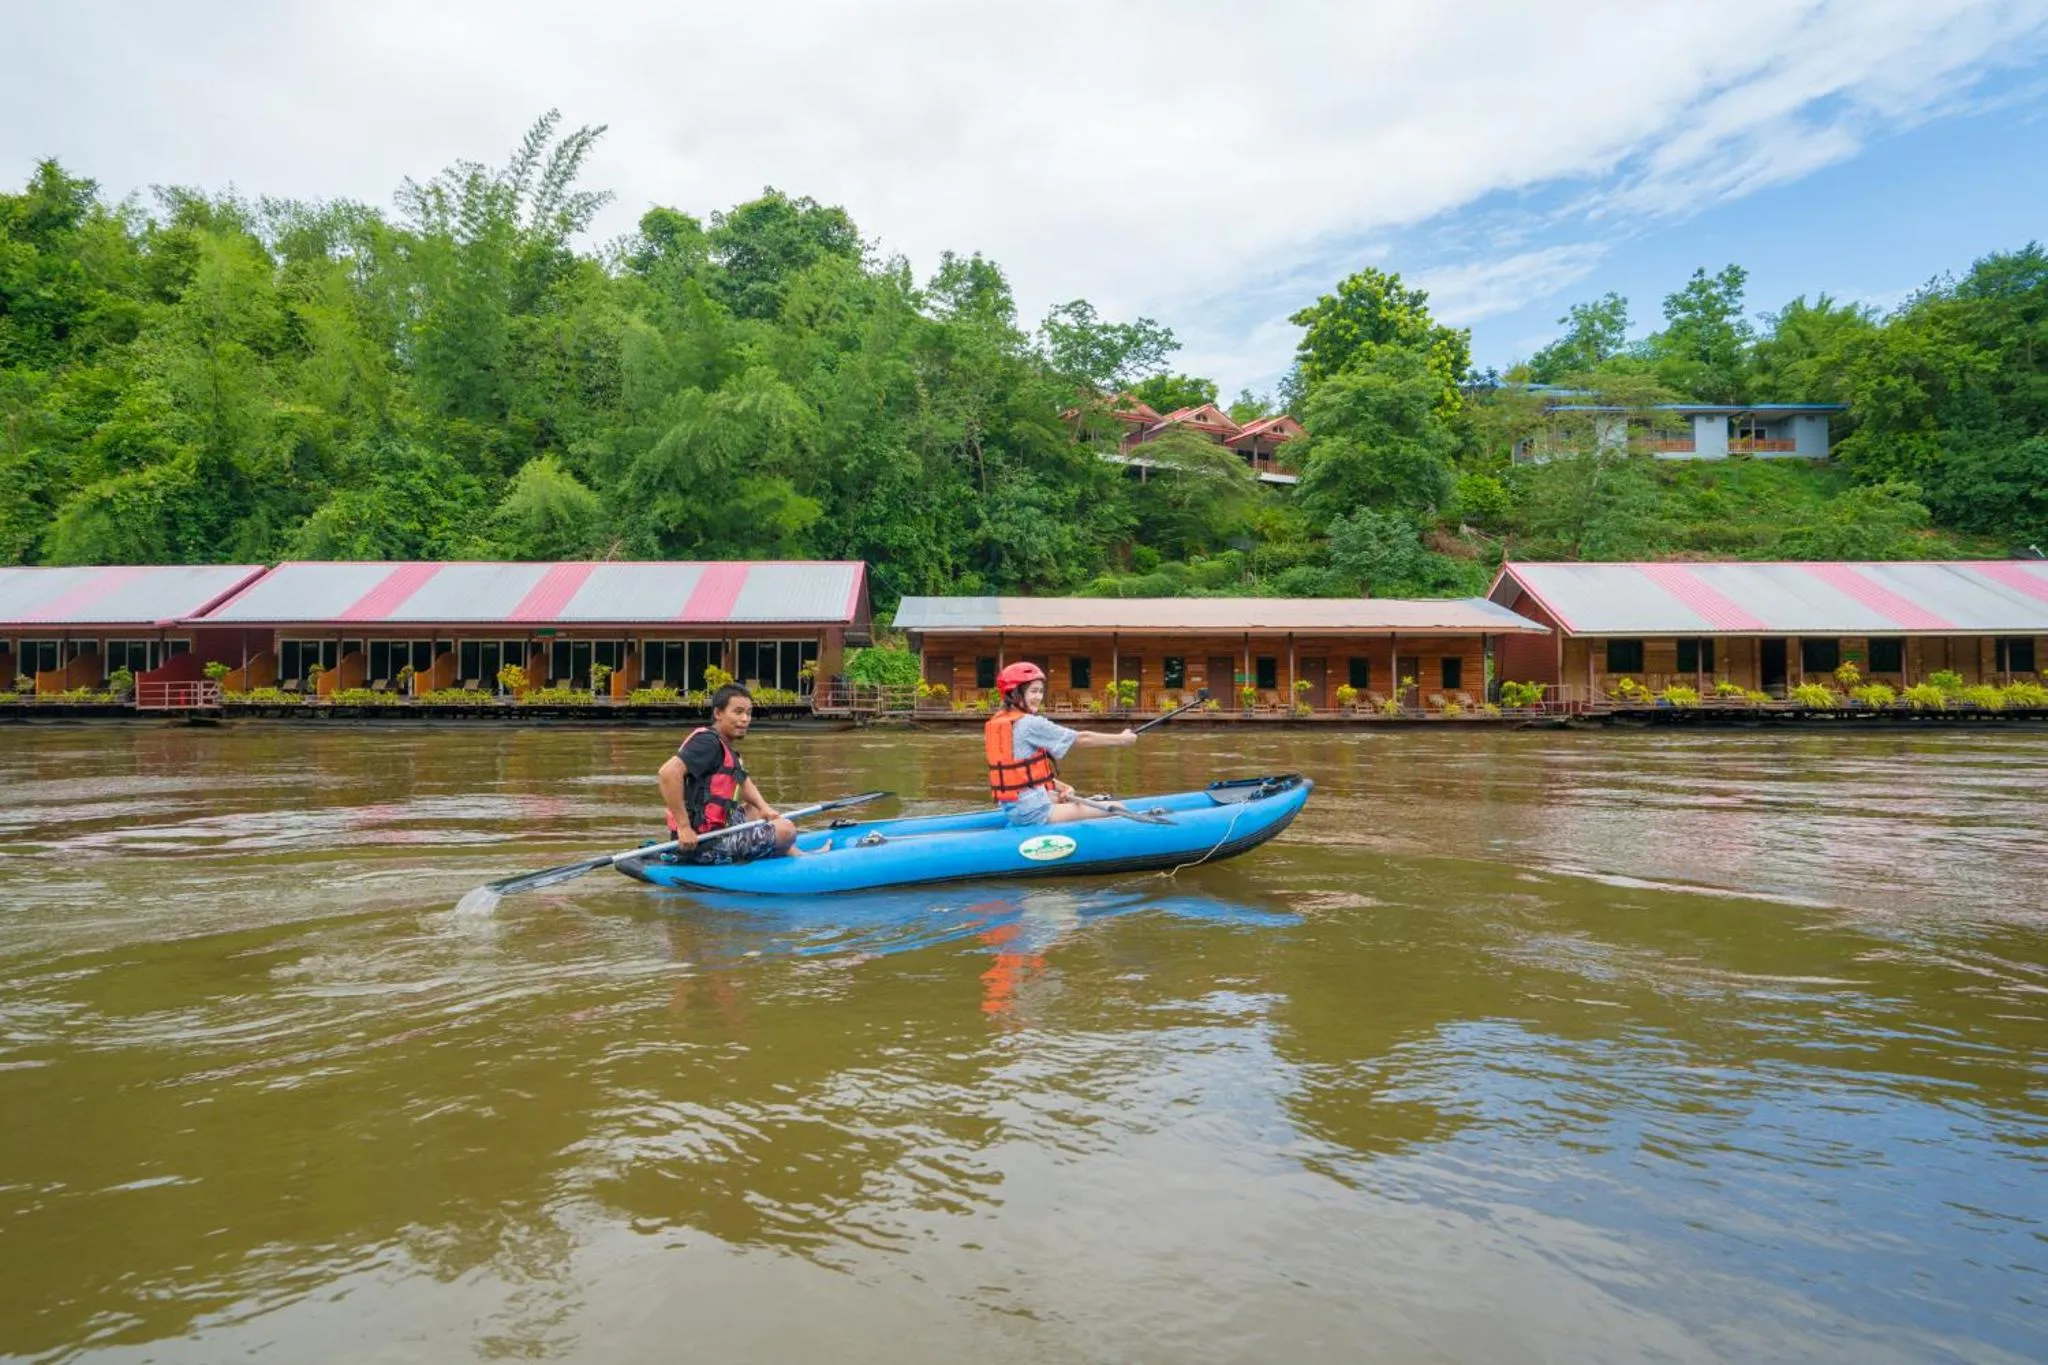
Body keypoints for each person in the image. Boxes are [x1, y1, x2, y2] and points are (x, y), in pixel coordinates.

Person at [657, 683, 822, 863]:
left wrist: (764, 807)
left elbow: (742, 781)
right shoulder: (707, 743)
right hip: (702, 842)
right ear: (718, 713)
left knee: (754, 810)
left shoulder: (724, 745)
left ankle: (800, 856)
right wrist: (683, 827)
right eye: (738, 712)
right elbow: (668, 773)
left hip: (716, 829)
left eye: (749, 713)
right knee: (786, 830)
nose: (745, 719)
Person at [983, 662, 1135, 825]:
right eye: (1033, 691)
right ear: (1014, 693)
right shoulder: (1028, 724)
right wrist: (1121, 739)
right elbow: (1081, 738)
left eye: (1041, 691)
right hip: (1034, 813)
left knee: (1060, 798)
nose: (1039, 697)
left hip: (1016, 810)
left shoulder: (999, 721)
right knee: (1116, 806)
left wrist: (1060, 787)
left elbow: (1023, 776)